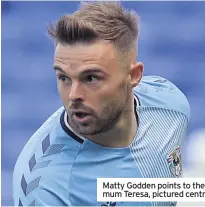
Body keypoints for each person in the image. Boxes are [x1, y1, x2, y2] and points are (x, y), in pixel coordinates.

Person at [13, 2, 190, 206]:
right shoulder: (45, 187)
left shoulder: (171, 105)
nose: (73, 95)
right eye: (64, 78)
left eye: (90, 78)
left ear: (133, 76)